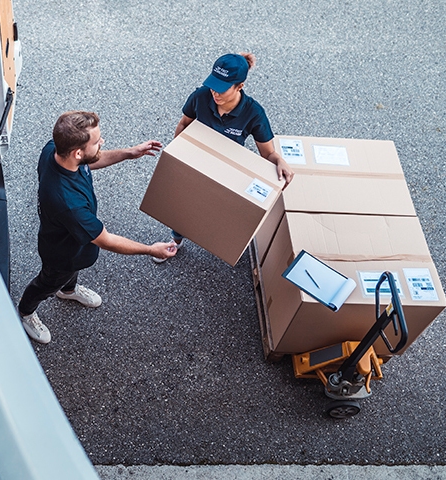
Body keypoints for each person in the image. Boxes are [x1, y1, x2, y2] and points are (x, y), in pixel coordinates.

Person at [18, 111, 177, 344]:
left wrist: (128, 153)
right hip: (62, 254)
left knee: (70, 273)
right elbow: (106, 240)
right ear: (78, 152)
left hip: (76, 243)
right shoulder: (69, 204)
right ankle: (25, 312)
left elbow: (90, 162)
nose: (102, 142)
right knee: (48, 282)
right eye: (97, 141)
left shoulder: (54, 150)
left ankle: (68, 291)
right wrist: (151, 250)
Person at [154, 52, 295, 263]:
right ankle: (176, 238)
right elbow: (184, 123)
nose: (214, 92)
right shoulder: (201, 96)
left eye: (222, 88)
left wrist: (280, 161)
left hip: (227, 169)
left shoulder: (254, 113)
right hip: (196, 161)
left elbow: (268, 153)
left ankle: (218, 241)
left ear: (240, 86)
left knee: (218, 208)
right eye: (213, 84)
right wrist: (178, 154)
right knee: (184, 204)